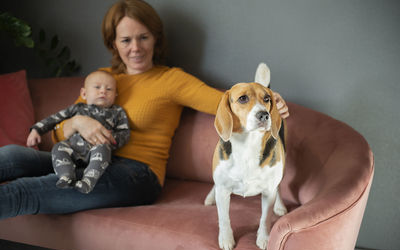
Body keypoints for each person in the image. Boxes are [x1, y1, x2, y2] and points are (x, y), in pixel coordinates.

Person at [0, 0, 289, 219]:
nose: (135, 48)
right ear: (114, 43)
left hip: (137, 175)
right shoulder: (102, 79)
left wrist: (268, 103)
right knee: (11, 156)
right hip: (84, 159)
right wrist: (77, 123)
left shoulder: (172, 79)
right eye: (126, 40)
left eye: (143, 37)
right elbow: (57, 135)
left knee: (23, 192)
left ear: (156, 39)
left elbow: (226, 103)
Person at [26, 70, 130, 194]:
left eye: (109, 89)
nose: (103, 91)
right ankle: (66, 175)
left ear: (115, 95)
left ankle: (88, 181)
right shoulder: (77, 108)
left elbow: (125, 133)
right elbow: (55, 118)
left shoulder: (117, 112)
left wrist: (110, 138)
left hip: (97, 149)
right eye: (97, 87)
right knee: (59, 148)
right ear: (84, 93)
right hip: (73, 148)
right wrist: (36, 130)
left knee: (103, 149)